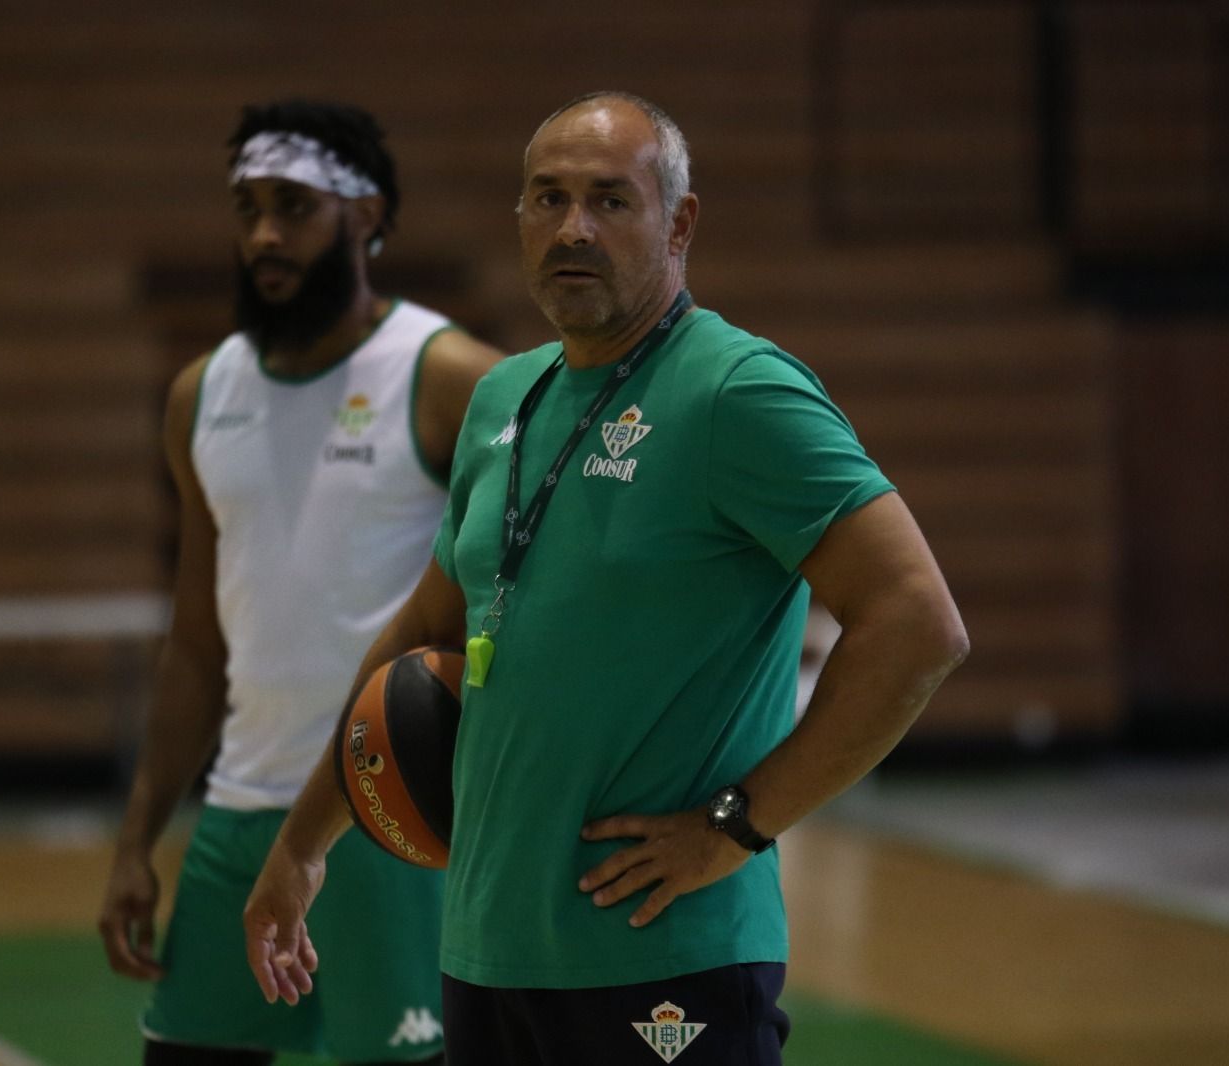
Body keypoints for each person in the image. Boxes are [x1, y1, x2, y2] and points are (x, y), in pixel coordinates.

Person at [241, 91, 969, 1065]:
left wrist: (734, 825)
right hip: (488, 953)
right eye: (546, 199)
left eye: (608, 200)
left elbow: (917, 621)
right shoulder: (506, 394)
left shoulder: (736, 390)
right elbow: (425, 634)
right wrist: (302, 842)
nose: (571, 227)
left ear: (681, 222)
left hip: (664, 959)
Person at [98, 99, 501, 1066]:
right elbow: (197, 641)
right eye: (247, 210)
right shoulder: (203, 394)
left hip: (387, 816)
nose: (265, 235)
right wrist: (136, 838)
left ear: (364, 215)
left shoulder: (446, 377)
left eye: (293, 207)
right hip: (239, 813)